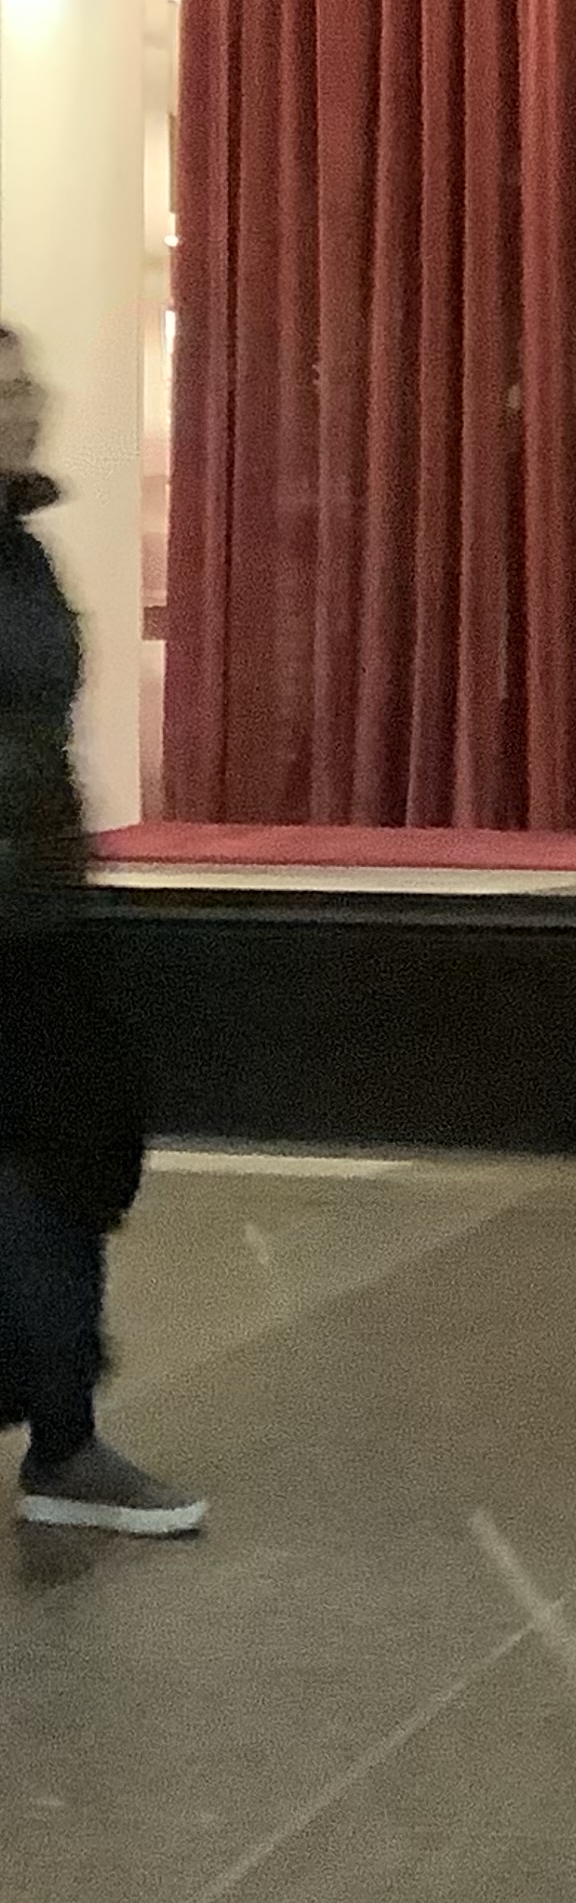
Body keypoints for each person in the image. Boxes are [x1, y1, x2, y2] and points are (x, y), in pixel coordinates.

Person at [0, 325, 206, 1538]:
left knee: (70, 1152)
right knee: (52, 1155)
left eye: (25, 384)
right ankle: (63, 1433)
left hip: (37, 917)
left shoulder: (21, 550)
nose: (24, 406)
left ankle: (63, 1427)